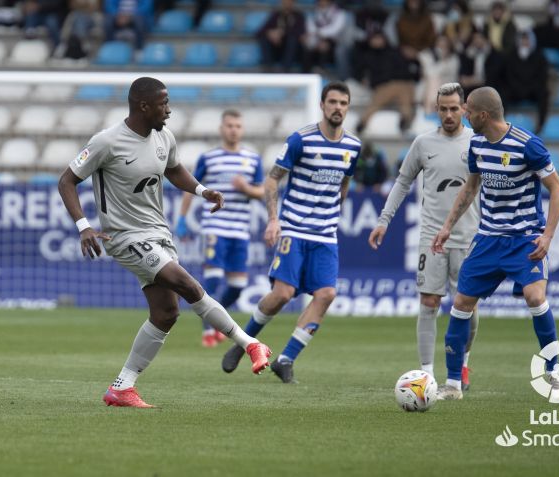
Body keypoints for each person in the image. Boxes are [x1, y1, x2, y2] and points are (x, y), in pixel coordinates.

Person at [57, 77, 272, 408]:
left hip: (158, 233)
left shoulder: (164, 137)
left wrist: (202, 191)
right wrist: (84, 226)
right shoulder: (107, 142)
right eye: (164, 104)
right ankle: (250, 344)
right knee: (186, 283)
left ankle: (122, 387)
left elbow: (173, 169)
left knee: (167, 312)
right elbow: (67, 180)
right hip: (124, 236)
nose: (169, 111)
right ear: (144, 106)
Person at [431, 86, 559, 401]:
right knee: (461, 304)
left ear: (483, 114)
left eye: (467, 111)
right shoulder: (477, 143)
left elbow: (557, 189)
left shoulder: (528, 146)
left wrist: (547, 235)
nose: (463, 115)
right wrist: (447, 226)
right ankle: (452, 385)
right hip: (488, 239)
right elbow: (471, 187)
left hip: (523, 239)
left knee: (535, 296)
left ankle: (554, 371)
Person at [220, 81, 361, 384]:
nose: (338, 108)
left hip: (325, 234)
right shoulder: (301, 140)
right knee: (282, 294)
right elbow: (272, 180)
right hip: (294, 228)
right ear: (323, 105)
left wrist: (336, 210)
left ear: (348, 107)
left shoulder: (353, 146)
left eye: (343, 103)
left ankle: (285, 360)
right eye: (333, 102)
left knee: (326, 294)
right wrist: (274, 220)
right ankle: (243, 342)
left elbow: (345, 181)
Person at [369, 83, 480, 390]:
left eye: (454, 108)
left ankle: (463, 365)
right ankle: (427, 374)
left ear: (464, 110)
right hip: (432, 236)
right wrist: (384, 220)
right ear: (436, 109)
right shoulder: (423, 143)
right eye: (442, 109)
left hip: (470, 236)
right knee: (429, 301)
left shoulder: (477, 142)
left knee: (466, 305)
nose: (448, 114)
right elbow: (402, 182)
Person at [174, 110, 265, 348]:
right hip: (215, 227)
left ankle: (216, 321)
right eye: (229, 125)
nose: (233, 129)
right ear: (221, 129)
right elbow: (190, 187)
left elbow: (261, 191)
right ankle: (207, 330)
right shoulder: (209, 158)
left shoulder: (252, 159)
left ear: (242, 129)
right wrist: (182, 218)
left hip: (240, 231)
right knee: (213, 279)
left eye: (237, 125)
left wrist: (246, 188)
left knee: (237, 286)